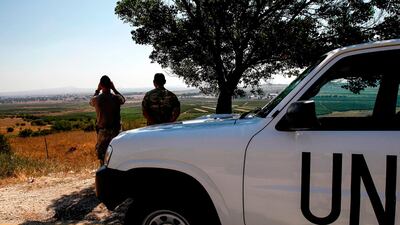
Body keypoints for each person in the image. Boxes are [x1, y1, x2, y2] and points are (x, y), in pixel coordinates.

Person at [90, 75, 125, 165]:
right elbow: (123, 100)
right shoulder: (116, 98)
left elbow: (90, 102)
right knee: (117, 154)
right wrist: (114, 89)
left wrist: (97, 90)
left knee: (103, 156)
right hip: (116, 131)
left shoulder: (97, 99)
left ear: (101, 85)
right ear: (110, 85)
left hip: (103, 132)